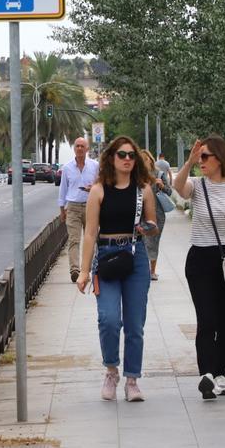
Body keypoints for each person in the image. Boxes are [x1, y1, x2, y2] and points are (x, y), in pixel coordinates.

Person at [174, 135, 225, 400]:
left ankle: (221, 372)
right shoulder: (198, 185)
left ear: (220, 158)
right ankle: (206, 374)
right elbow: (178, 187)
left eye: (205, 156)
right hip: (201, 258)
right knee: (207, 318)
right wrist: (188, 161)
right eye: (199, 157)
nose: (202, 161)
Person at [77, 135, 158, 402]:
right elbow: (89, 233)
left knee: (135, 324)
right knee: (109, 320)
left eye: (131, 155)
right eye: (121, 155)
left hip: (134, 257)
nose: (126, 159)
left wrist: (144, 228)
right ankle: (111, 370)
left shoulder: (143, 189)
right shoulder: (99, 190)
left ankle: (132, 379)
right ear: (111, 158)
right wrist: (84, 271)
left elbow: (152, 224)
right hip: (108, 258)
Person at [57, 137, 99, 283]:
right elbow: (63, 189)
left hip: (91, 206)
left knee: (91, 239)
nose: (80, 148)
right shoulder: (67, 168)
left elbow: (100, 185)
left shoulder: (95, 166)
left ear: (87, 149)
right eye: (77, 146)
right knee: (74, 240)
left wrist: (92, 188)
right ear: (74, 149)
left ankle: (87, 268)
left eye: (82, 146)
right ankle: (75, 270)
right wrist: (62, 209)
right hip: (73, 207)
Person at [140, 149, 169, 280]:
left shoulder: (159, 174)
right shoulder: (136, 176)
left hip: (158, 213)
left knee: (154, 241)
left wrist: (162, 185)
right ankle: (144, 270)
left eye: (145, 159)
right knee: (144, 241)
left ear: (150, 160)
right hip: (140, 213)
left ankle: (152, 271)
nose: (143, 162)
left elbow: (169, 191)